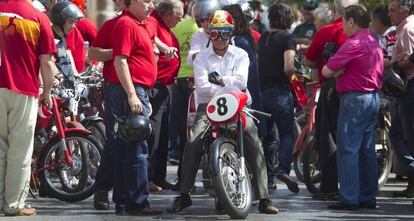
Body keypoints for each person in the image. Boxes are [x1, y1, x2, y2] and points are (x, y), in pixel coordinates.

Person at [166, 10, 279, 214]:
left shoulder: (240, 54)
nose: (219, 38)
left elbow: (241, 82)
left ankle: (264, 197)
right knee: (192, 143)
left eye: (225, 33)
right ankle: (184, 195)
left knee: (254, 141)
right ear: (209, 34)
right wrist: (228, 83)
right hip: (207, 107)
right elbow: (202, 87)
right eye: (215, 33)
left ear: (231, 33)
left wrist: (218, 81)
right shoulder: (201, 58)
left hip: (238, 106)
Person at [322, 4, 383, 210]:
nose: (343, 27)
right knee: (367, 151)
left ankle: (349, 198)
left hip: (355, 100)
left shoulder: (354, 43)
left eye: (344, 22)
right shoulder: (373, 39)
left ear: (350, 21)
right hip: (372, 98)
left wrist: (336, 69)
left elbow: (327, 70)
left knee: (348, 149)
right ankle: (367, 197)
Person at [0, 0, 56, 216]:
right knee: (20, 151)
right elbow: (47, 62)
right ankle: (13, 205)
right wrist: (47, 92)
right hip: (23, 88)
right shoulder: (38, 17)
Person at [304, 0, 358, 201]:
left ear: (335, 10)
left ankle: (329, 186)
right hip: (360, 89)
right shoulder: (365, 34)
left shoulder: (327, 31)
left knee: (328, 135)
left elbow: (309, 60)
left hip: (332, 88)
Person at [110, 0, 161, 215]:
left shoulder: (139, 24)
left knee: (128, 147)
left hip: (139, 89)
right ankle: (137, 202)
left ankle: (125, 200)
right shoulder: (126, 24)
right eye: (146, 0)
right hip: (131, 91)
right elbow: (120, 61)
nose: (151, 5)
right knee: (136, 148)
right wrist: (132, 94)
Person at [87, 0, 125, 210]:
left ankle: (127, 194)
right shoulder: (113, 24)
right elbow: (92, 53)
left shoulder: (149, 25)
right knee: (115, 139)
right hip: (116, 88)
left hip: (143, 90)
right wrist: (120, 52)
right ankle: (102, 189)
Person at [258, 1, 299, 193]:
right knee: (287, 133)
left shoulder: (263, 37)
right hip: (280, 92)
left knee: (268, 137)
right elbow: (288, 67)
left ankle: (268, 179)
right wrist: (294, 75)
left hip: (262, 92)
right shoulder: (288, 38)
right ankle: (283, 168)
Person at [145, 0, 184, 192]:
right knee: (153, 135)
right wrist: (162, 47)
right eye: (178, 15)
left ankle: (158, 177)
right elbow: (148, 37)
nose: (181, 18)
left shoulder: (164, 26)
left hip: (165, 87)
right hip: (155, 87)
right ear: (167, 13)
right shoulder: (153, 22)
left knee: (163, 136)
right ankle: (148, 178)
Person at [168, 0, 200, 188]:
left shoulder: (176, 26)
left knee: (183, 131)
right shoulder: (203, 27)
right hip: (198, 82)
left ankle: (183, 178)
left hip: (178, 80)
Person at [387, 0, 414, 198]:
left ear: (405, 10)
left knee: (406, 135)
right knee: (398, 133)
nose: (389, 14)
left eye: (393, 10)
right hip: (405, 89)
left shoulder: (408, 28)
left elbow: (411, 59)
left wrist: (396, 66)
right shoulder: (403, 28)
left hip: (409, 87)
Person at [50, 1, 83, 89]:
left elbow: (64, 58)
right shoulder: (50, 38)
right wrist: (57, 75)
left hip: (65, 88)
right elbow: (48, 61)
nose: (73, 26)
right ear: (59, 20)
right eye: (71, 22)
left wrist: (75, 75)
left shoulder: (61, 39)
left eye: (75, 22)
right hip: (53, 88)